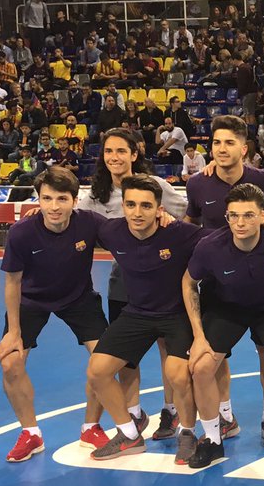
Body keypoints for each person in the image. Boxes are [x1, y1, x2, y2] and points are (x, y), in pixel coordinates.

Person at [77, 128, 187, 444]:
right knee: (128, 356)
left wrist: (167, 221)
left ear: (134, 154)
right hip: (123, 281)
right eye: (109, 152)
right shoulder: (94, 196)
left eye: (121, 151)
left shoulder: (156, 187)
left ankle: (170, 410)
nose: (114, 157)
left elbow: (185, 219)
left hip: (165, 282)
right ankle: (135, 411)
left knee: (169, 350)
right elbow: (76, 224)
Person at [86, 175, 203, 464]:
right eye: (131, 205)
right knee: (97, 370)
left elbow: (226, 236)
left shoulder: (180, 233)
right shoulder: (112, 231)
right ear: (122, 206)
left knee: (177, 374)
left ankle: (188, 432)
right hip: (137, 313)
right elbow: (72, 218)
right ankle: (128, 433)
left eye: (146, 206)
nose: (137, 213)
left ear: (159, 208)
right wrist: (38, 212)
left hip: (176, 315)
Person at [186, 115, 264, 445]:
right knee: (216, 359)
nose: (222, 148)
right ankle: (224, 416)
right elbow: (190, 221)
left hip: (260, 278)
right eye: (216, 142)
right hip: (219, 282)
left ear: (244, 148)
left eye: (230, 142)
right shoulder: (198, 183)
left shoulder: (261, 179)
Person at [0, 167, 110, 463]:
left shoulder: (90, 224)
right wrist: (13, 331)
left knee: (104, 362)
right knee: (10, 362)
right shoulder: (21, 232)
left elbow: (128, 238)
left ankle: (91, 426)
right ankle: (31, 433)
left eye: (61, 198)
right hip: (31, 300)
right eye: (46, 198)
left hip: (79, 298)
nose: (54, 206)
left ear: (75, 200)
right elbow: (12, 282)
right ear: (38, 199)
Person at [183, 183, 264, 470]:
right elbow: (188, 283)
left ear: (263, 215)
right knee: (201, 368)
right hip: (226, 310)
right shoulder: (210, 247)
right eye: (233, 216)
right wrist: (198, 335)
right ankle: (212, 439)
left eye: (248, 215)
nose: (240, 223)